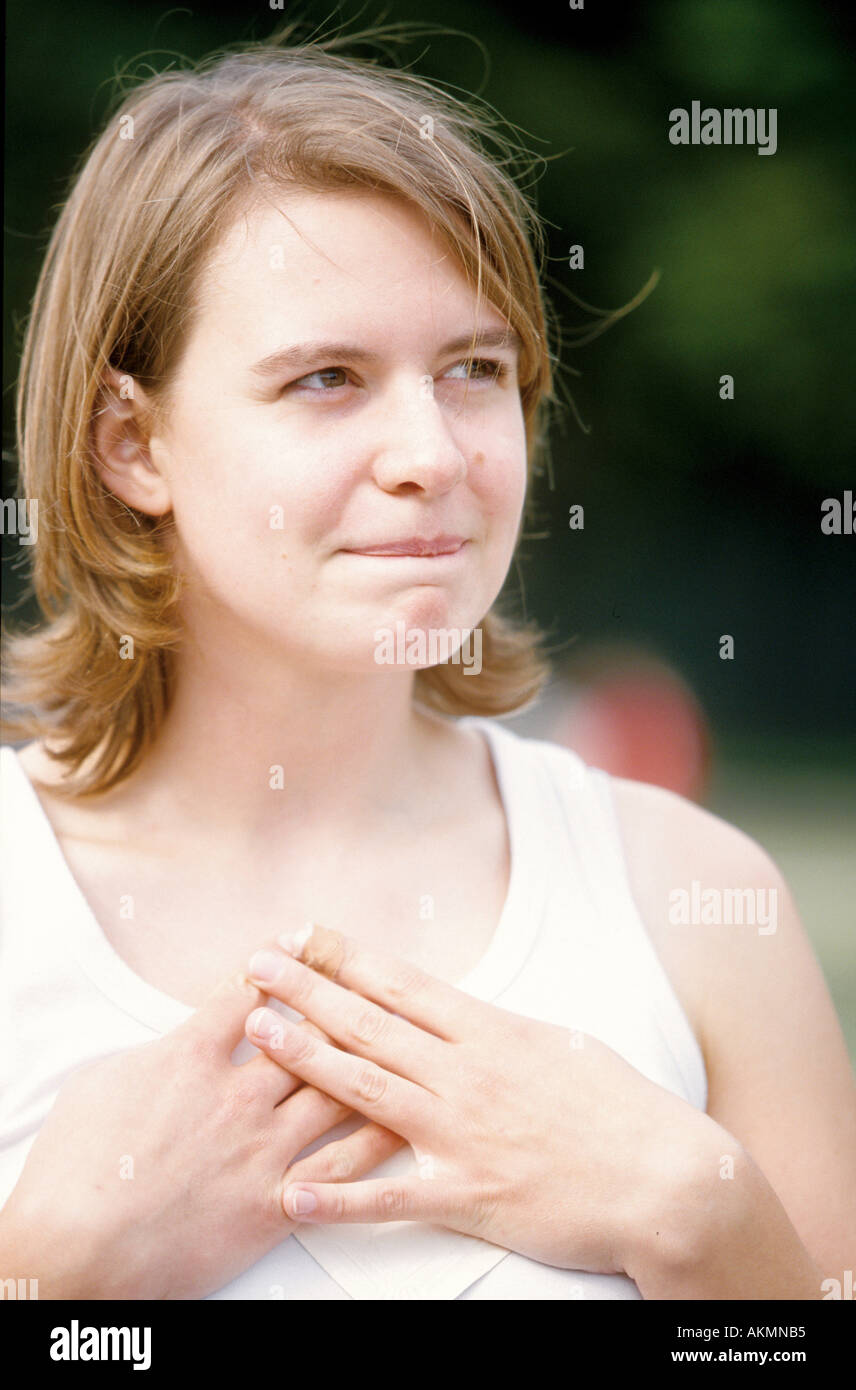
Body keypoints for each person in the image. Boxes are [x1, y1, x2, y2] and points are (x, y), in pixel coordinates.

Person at [1, 28, 853, 1302]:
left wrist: (698, 1219)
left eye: (474, 369)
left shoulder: (699, 902)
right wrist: (45, 1280)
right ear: (133, 446)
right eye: (327, 378)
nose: (433, 452)